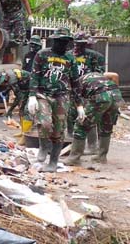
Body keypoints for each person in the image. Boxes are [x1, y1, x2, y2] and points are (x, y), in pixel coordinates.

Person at [27, 27, 82, 172]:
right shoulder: (42, 54)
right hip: (43, 94)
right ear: (54, 41)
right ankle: (44, 146)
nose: (62, 44)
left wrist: (79, 105)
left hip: (62, 96)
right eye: (59, 41)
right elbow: (34, 76)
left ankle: (53, 162)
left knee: (59, 130)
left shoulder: (70, 59)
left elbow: (75, 82)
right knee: (45, 124)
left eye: (65, 41)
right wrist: (31, 96)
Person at [63, 72, 123, 166]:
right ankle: (101, 157)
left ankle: (74, 158)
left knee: (81, 126)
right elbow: (115, 76)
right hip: (116, 96)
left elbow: (74, 108)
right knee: (106, 126)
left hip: (101, 98)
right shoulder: (94, 76)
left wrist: (75, 118)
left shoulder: (74, 84)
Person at [67, 32, 106, 155]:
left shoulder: (96, 57)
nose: (78, 47)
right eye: (76, 44)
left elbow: (98, 75)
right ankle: (72, 143)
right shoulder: (68, 55)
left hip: (87, 91)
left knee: (88, 117)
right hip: (70, 89)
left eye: (82, 45)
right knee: (70, 115)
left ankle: (92, 146)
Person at [0, 69, 31, 145]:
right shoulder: (8, 76)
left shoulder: (12, 79)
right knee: (21, 111)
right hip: (23, 89)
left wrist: (10, 110)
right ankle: (22, 131)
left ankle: (26, 136)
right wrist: (6, 92)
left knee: (25, 111)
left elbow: (18, 97)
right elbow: (10, 85)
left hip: (31, 89)